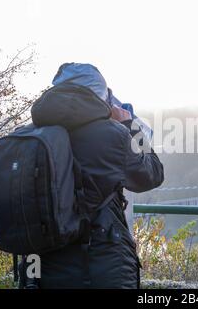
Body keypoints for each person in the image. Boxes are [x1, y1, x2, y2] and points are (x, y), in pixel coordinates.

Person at [30, 63, 164, 289]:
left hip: (44, 266)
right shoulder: (114, 135)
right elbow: (153, 173)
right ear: (101, 97)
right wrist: (130, 125)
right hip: (100, 266)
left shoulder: (32, 134)